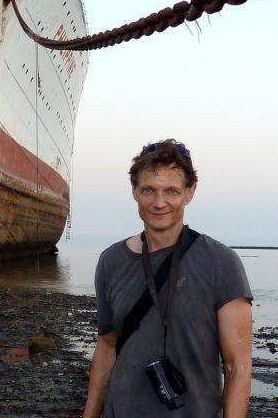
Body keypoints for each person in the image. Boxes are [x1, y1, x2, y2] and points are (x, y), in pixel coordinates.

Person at [83, 139, 253, 417]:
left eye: (171, 191)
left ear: (190, 193)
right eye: (149, 190)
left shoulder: (221, 262)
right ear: (135, 192)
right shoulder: (111, 261)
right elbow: (107, 346)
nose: (159, 203)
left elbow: (237, 365)